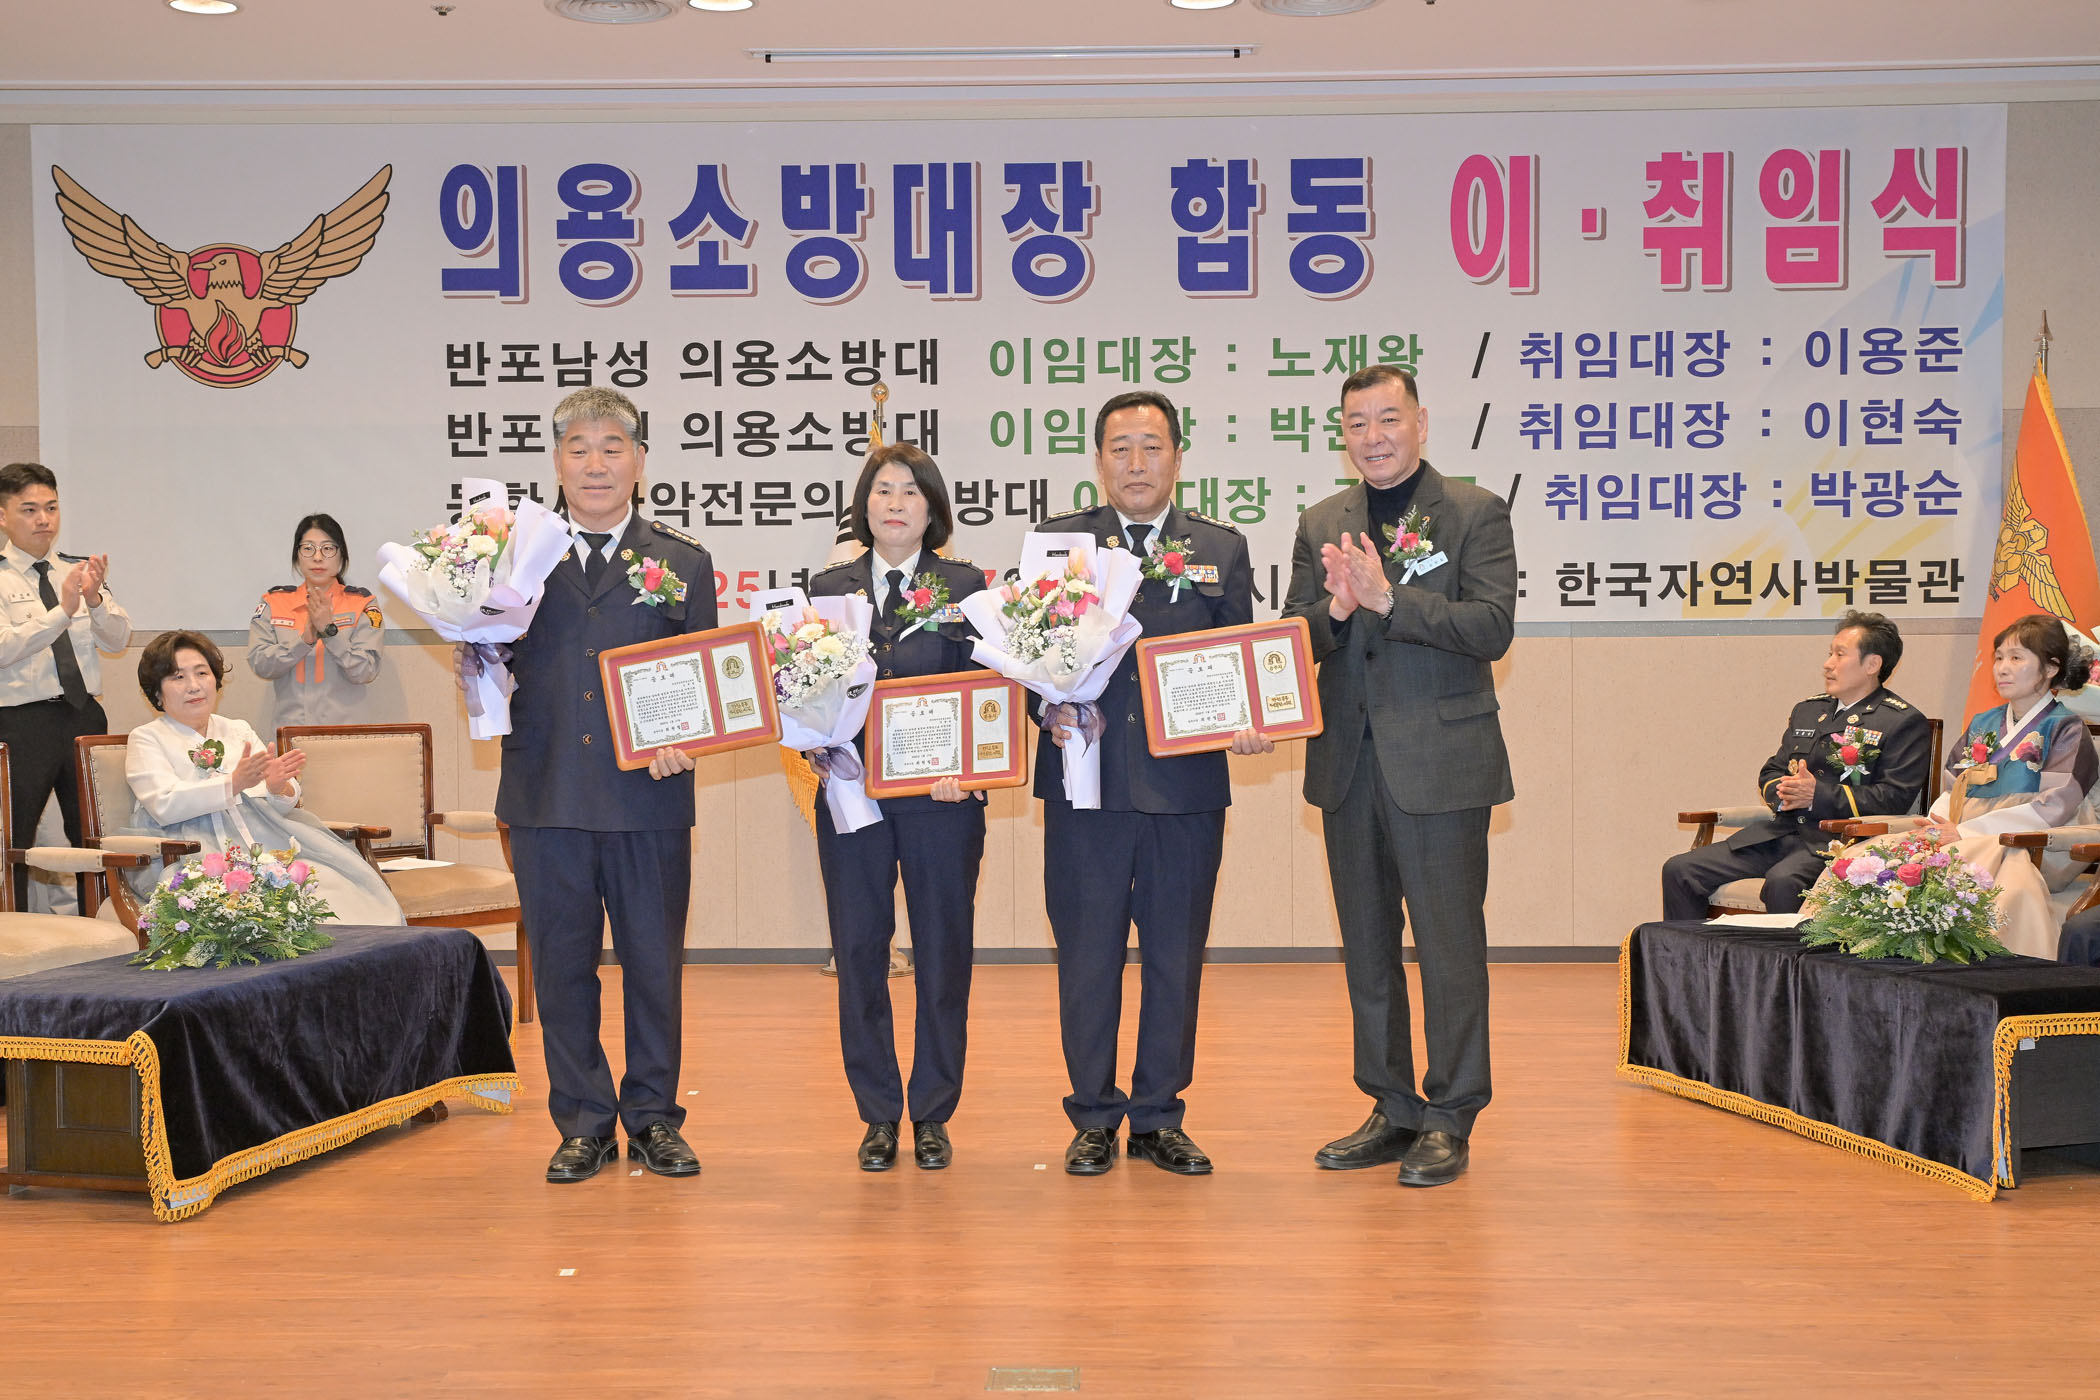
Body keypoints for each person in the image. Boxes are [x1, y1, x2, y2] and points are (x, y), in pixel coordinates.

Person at [466, 385, 718, 1185]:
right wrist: (474, 663)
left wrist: (686, 737)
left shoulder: (682, 562)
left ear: (640, 461)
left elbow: (708, 680)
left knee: (654, 967)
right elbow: (488, 658)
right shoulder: (513, 559)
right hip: (546, 794)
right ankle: (581, 1122)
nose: (596, 463)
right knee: (563, 969)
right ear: (557, 462)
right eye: (579, 448)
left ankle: (653, 1117)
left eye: (613, 447)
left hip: (648, 798)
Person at [1281, 364, 1516, 1188]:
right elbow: (1295, 638)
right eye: (1357, 423)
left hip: (1442, 765)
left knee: (1449, 948)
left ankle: (1451, 1114)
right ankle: (1392, 1105)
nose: (1373, 436)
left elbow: (1492, 626)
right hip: (1348, 765)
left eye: (1388, 418)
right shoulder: (1321, 521)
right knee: (1368, 948)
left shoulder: (1474, 511)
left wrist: (1388, 601)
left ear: (1420, 422)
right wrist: (1338, 611)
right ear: (1342, 434)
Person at [1034, 389, 1266, 1178]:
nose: (1137, 463)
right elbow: (1022, 661)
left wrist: (1248, 718)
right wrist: (1045, 710)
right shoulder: (1058, 548)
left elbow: (1240, 658)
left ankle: (1160, 1116)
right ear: (1098, 460)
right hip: (1084, 786)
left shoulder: (1220, 548)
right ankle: (1094, 1116)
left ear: (1177, 457)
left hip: (1185, 792)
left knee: (1175, 957)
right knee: (1087, 958)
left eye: (1152, 446)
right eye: (1120, 448)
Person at [808, 443, 988, 1172]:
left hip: (942, 801)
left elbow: (992, 689)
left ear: (932, 507)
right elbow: (802, 685)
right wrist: (815, 743)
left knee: (943, 952)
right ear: (863, 504)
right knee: (859, 951)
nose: (894, 503)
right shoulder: (829, 587)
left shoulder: (966, 585)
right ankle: (878, 1112)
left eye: (910, 491)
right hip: (851, 794)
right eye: (882, 489)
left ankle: (934, 1110)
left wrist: (971, 769)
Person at [1662, 612, 1933, 922]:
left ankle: (1777, 958)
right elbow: (1772, 770)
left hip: (1840, 844)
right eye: (1830, 653)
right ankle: (1688, 955)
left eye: (1839, 654)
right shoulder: (1809, 710)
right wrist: (1785, 793)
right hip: (1780, 833)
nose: (1827, 664)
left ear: (1872, 664)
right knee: (1680, 870)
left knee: (1783, 883)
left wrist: (1817, 796)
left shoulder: (1901, 722)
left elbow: (1894, 798)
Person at [123, 631, 403, 926]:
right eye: (178, 677)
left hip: (265, 843)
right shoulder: (147, 738)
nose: (194, 686)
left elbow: (278, 805)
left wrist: (277, 787)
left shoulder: (237, 729)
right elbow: (163, 805)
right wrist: (233, 784)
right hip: (192, 854)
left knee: (340, 889)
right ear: (157, 692)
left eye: (202, 673)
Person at [1879, 614, 2097, 959]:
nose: (2002, 668)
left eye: (2016, 657)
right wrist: (1937, 825)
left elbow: (2055, 806)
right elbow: (1952, 788)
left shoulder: (2066, 727)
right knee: (1874, 861)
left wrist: (1966, 832)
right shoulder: (1984, 722)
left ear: (2051, 668)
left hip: (2024, 843)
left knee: (1975, 880)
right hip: (1963, 833)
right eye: (1998, 658)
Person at [0, 461, 132, 910]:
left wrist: (93, 599)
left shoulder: (77, 570)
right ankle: (13, 934)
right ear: (3, 516)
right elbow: (4, 649)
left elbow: (118, 639)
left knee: (95, 833)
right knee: (15, 838)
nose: (44, 519)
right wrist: (62, 612)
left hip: (82, 716)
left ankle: (105, 925)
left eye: (51, 508)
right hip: (21, 722)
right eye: (30, 509)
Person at [247, 513, 383, 731]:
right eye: (308, 548)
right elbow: (261, 665)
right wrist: (304, 641)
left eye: (328, 548)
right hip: (290, 734)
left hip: (345, 736)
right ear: (297, 556)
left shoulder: (363, 604)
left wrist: (330, 633)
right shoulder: (274, 602)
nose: (318, 557)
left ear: (341, 556)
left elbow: (366, 671)